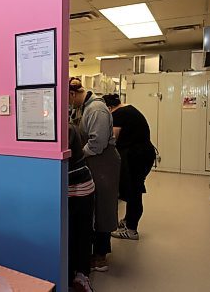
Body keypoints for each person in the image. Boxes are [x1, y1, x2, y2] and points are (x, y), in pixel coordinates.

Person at [68, 77, 120, 272]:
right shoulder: (84, 107)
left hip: (103, 161)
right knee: (94, 207)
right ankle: (92, 251)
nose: (68, 104)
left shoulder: (96, 109)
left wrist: (77, 153)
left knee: (103, 206)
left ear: (73, 94)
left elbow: (97, 144)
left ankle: (101, 256)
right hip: (92, 160)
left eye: (67, 99)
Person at [102, 94, 156, 240]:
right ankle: (127, 221)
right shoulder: (128, 109)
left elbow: (113, 139)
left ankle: (131, 230)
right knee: (134, 189)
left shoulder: (118, 114)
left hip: (136, 157)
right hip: (144, 154)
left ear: (108, 108)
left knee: (134, 192)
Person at [68, 123, 95, 292]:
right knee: (78, 234)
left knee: (77, 234)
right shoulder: (70, 127)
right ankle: (78, 275)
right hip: (77, 185)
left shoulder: (67, 130)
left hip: (78, 188)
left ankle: (78, 276)